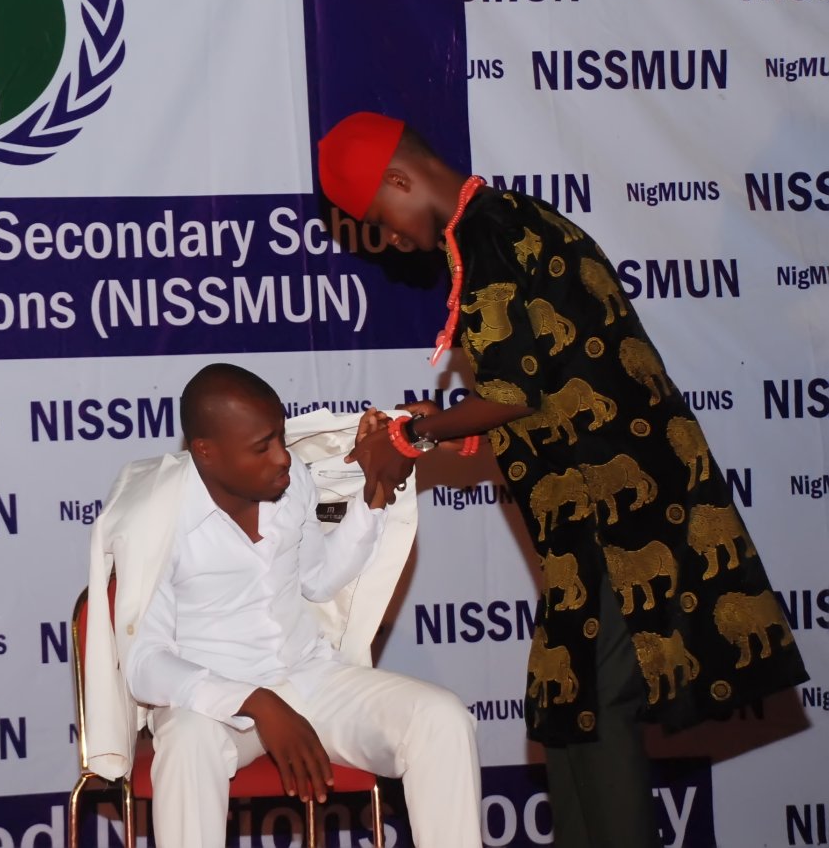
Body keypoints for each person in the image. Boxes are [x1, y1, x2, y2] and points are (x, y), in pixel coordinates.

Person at [318, 112, 809, 848]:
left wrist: (410, 437)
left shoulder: (489, 236)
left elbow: (513, 392)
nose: (386, 241)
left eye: (378, 223)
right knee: (566, 701)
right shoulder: (506, 222)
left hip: (622, 516)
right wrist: (441, 423)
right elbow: (546, 384)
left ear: (399, 180)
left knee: (599, 703)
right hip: (586, 520)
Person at [84, 364, 482, 848]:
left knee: (442, 720)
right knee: (186, 743)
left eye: (279, 437)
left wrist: (373, 500)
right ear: (206, 451)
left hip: (309, 679)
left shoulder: (291, 486)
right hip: (214, 706)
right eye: (262, 447)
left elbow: (318, 580)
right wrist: (256, 701)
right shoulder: (157, 518)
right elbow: (145, 664)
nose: (283, 459)